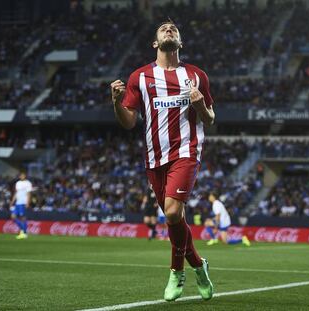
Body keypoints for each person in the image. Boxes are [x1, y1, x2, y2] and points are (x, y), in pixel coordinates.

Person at [111, 19, 215, 301]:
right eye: (163, 30)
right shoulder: (139, 78)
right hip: (154, 158)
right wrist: (116, 103)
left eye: (174, 30)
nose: (169, 31)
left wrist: (199, 104)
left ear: (179, 43)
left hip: (186, 152)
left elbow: (210, 119)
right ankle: (199, 265)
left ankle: (176, 271)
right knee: (176, 218)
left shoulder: (196, 76)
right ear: (155, 43)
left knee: (171, 213)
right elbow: (129, 122)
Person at [10, 171, 32, 239]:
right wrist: (12, 201)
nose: (22, 176)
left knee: (22, 218)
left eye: (23, 175)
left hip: (23, 202)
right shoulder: (18, 183)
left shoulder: (28, 183)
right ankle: (23, 230)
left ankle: (24, 233)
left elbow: (29, 193)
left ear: (25, 176)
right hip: (17, 203)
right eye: (21, 175)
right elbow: (16, 193)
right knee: (13, 216)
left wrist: (28, 202)